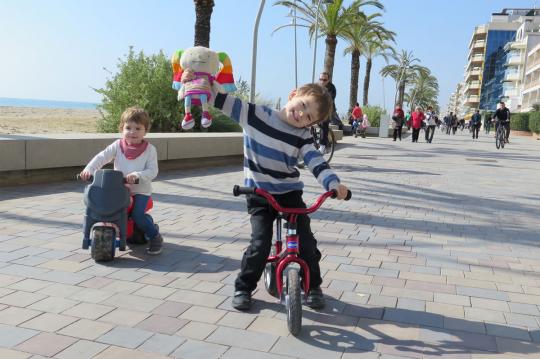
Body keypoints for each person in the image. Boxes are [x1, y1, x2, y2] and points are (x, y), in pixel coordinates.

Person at [202, 81, 349, 311]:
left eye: (308, 116)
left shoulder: (302, 136)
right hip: (258, 193)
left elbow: (316, 161)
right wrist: (199, 80)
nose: (301, 115)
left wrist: (334, 184)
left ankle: (313, 287)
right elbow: (219, 99)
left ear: (311, 124)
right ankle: (244, 287)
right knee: (260, 243)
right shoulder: (255, 115)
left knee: (306, 242)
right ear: (293, 95)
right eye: (301, 105)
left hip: (289, 193)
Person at [79, 107, 163, 255]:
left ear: (145, 130)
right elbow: (101, 157)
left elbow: (153, 171)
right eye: (128, 128)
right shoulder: (117, 145)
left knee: (137, 215)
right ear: (121, 129)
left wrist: (137, 175)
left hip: (139, 191)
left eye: (138, 128)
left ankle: (155, 236)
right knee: (101, 209)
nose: (132, 132)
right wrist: (89, 170)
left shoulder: (150, 150)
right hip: (118, 189)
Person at [318, 72, 336, 154]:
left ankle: (322, 145)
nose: (322, 81)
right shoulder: (317, 87)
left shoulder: (332, 88)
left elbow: (330, 99)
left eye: (324, 80)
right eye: (320, 79)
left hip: (328, 109)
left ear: (328, 80)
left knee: (323, 124)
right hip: (317, 109)